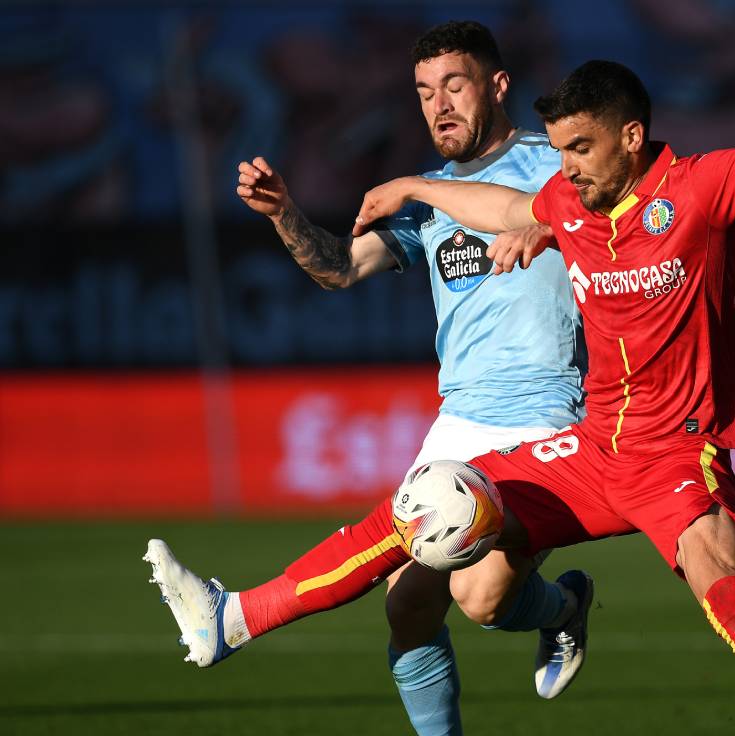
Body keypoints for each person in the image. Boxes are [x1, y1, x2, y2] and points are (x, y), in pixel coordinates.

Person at [151, 59, 735, 736]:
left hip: (674, 452)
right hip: (593, 450)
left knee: (732, 597)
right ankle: (236, 619)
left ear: (631, 137)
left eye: (581, 149)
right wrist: (415, 190)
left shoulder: (699, 189)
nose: (567, 169)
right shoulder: (567, 199)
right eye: (559, 151)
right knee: (427, 514)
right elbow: (504, 205)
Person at [160, 21, 596, 736]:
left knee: (484, 600)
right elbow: (339, 268)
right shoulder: (423, 201)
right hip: (460, 420)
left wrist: (551, 229)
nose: (438, 105)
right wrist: (285, 215)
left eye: (454, 85)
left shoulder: (553, 165)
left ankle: (559, 610)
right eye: (424, 92)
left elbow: (604, 220)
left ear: (497, 85)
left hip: (550, 413)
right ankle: (550, 621)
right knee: (407, 602)